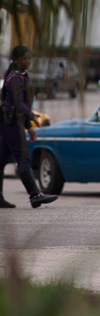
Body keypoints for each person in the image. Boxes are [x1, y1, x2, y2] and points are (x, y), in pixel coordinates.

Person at [0, 46, 58, 208]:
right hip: (11, 124)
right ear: (16, 60)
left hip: (9, 123)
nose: (27, 62)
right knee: (23, 159)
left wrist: (28, 127)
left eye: (29, 58)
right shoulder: (16, 78)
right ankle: (35, 195)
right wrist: (31, 116)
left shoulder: (19, 76)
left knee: (1, 160)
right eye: (24, 59)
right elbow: (18, 104)